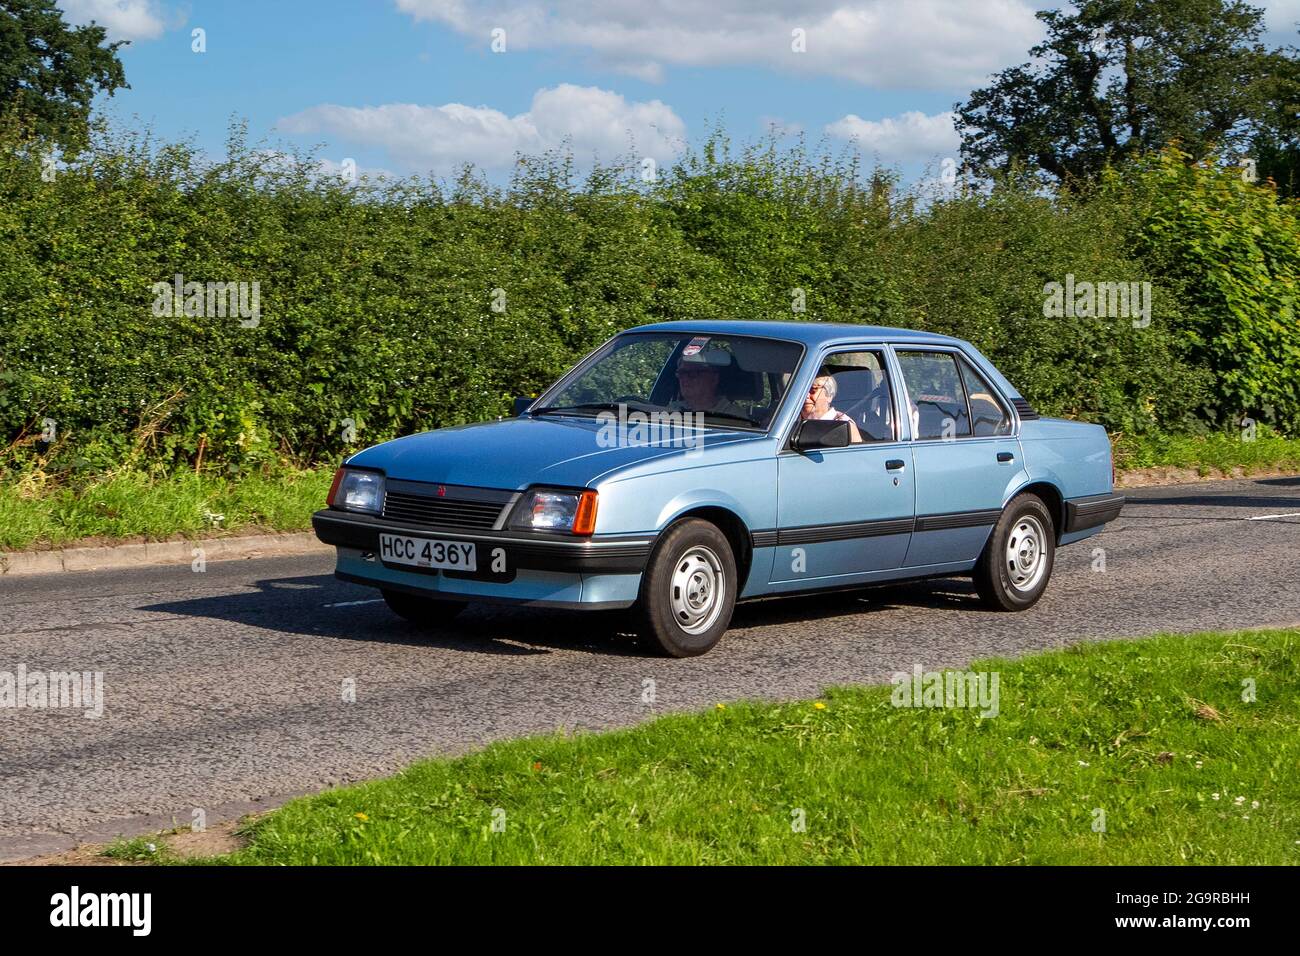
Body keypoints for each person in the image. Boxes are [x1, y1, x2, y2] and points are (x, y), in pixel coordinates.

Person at [668, 352, 747, 419]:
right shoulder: (671, 410)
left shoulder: (734, 416)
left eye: (693, 373)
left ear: (714, 379)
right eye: (682, 373)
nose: (684, 378)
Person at [800, 373, 862, 442]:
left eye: (813, 390)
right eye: (801, 391)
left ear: (829, 396)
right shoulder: (790, 420)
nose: (806, 396)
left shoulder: (844, 424)